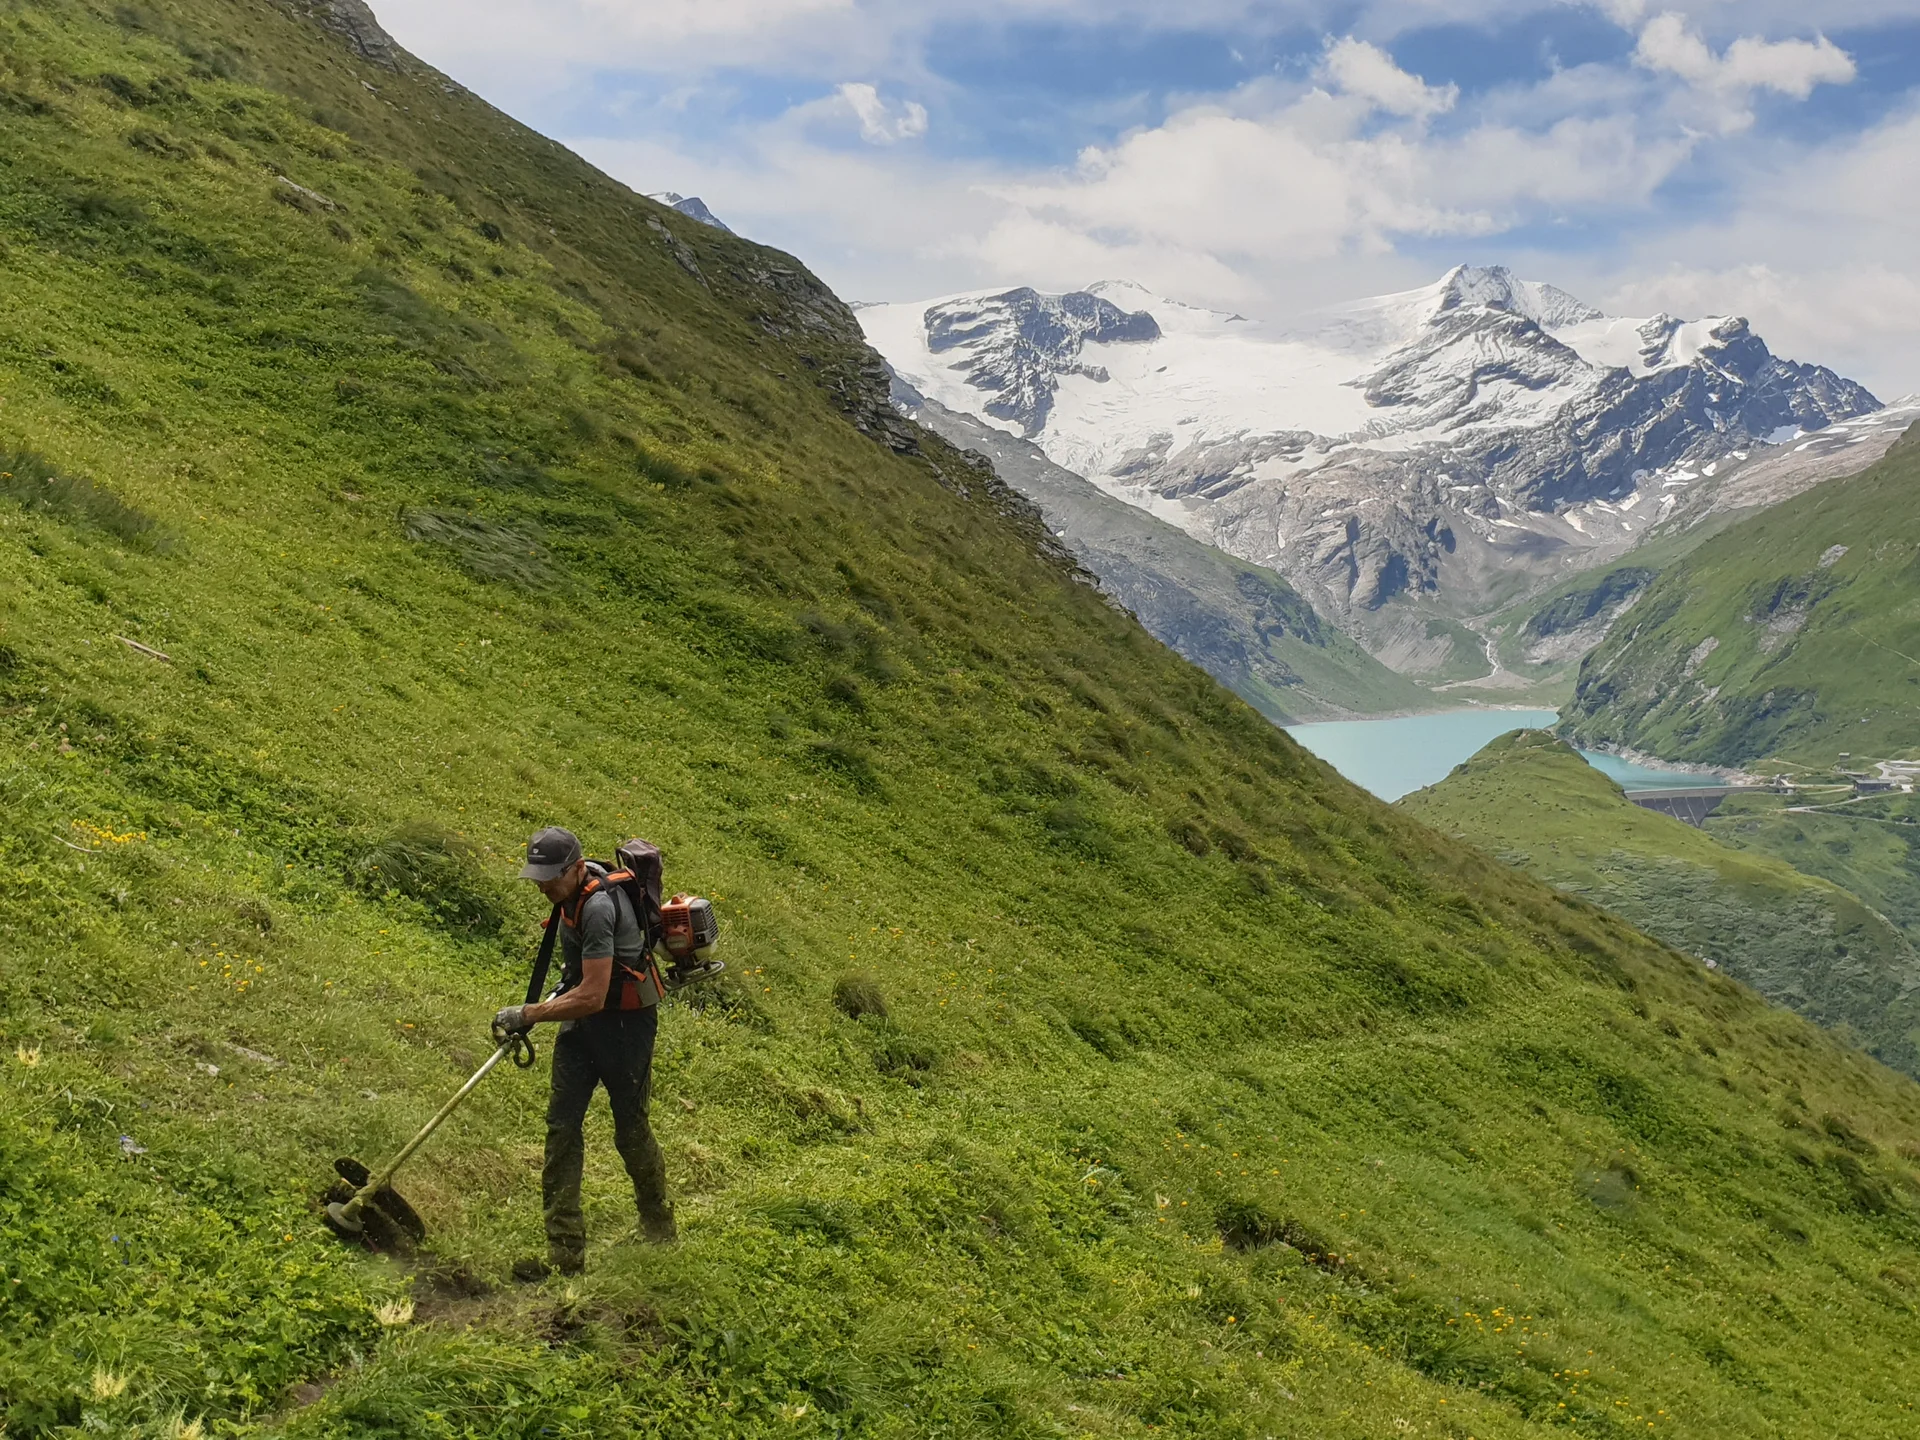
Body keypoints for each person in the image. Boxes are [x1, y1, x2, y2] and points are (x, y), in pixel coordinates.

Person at [494, 826, 674, 1277]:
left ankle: (659, 1226)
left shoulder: (596, 907)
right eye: (537, 876)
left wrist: (530, 1014)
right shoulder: (567, 897)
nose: (541, 886)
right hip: (583, 1024)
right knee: (561, 1127)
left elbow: (592, 994)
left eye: (549, 877)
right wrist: (542, 1007)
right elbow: (578, 978)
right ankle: (565, 1255)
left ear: (575, 869)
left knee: (629, 1130)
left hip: (624, 1027)